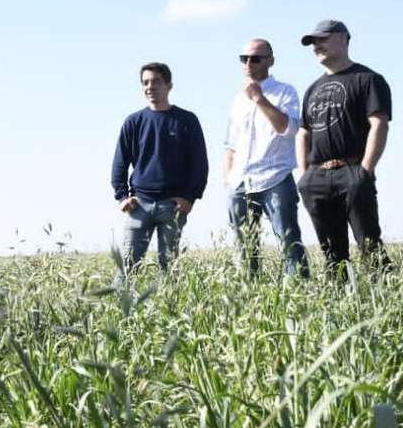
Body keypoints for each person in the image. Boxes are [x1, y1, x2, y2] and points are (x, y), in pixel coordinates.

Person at [295, 20, 391, 278]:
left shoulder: (368, 79)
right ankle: (340, 308)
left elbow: (379, 124)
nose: (317, 45)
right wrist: (305, 176)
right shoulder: (312, 89)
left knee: (369, 246)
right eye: (313, 42)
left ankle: (387, 305)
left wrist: (365, 170)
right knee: (331, 254)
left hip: (352, 170)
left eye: (322, 39)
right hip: (316, 176)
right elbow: (303, 133)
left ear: (344, 38)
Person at [110, 62, 208, 277]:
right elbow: (119, 162)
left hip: (172, 206)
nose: (150, 87)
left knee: (170, 269)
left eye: (156, 82)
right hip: (139, 205)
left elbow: (199, 163)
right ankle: (122, 307)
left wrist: (190, 198)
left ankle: (170, 307)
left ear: (169, 85)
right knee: (127, 267)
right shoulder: (134, 122)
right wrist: (122, 196)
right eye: (145, 82)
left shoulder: (186, 121)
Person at [223, 39, 308, 277]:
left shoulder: (285, 91)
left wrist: (259, 99)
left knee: (288, 240)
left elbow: (288, 128)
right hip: (240, 181)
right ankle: (250, 295)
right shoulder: (238, 99)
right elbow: (230, 144)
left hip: (275, 178)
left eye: (256, 58)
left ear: (271, 61)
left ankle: (300, 294)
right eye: (244, 58)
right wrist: (228, 181)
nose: (249, 63)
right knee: (244, 248)